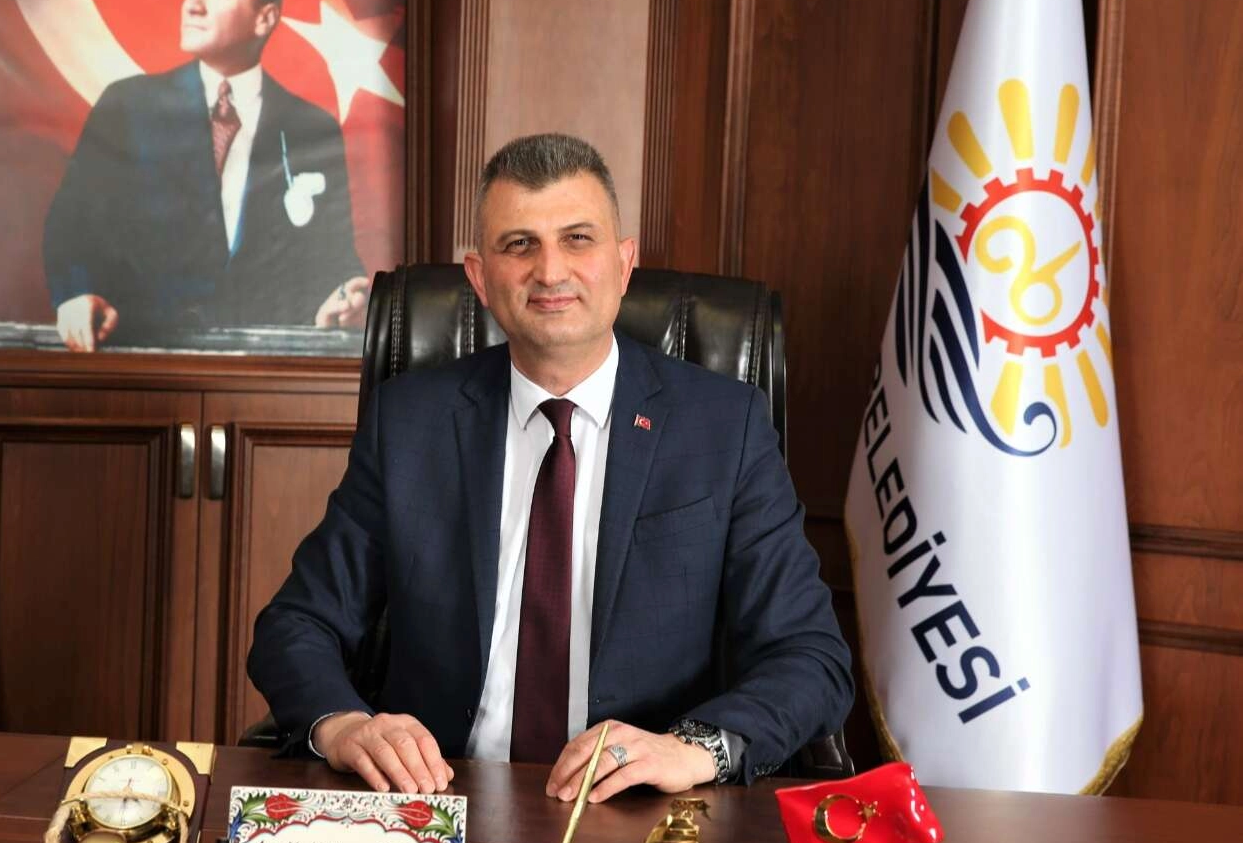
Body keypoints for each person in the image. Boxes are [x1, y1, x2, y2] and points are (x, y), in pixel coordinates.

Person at [248, 133, 852, 804]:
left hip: (641, 813)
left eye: (577, 239)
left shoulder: (722, 428)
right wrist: (341, 724)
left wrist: (692, 748)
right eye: (520, 245)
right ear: (480, 278)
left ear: (624, 263)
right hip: (441, 798)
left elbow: (811, 656)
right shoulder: (411, 424)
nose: (551, 270)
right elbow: (296, 623)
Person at [43, 0, 368, 351]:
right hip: (141, 357)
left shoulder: (311, 126)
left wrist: (345, 297)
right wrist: (75, 294)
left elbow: (332, 253)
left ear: (264, 18)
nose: (192, 5)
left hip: (265, 364)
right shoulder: (127, 107)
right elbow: (72, 225)